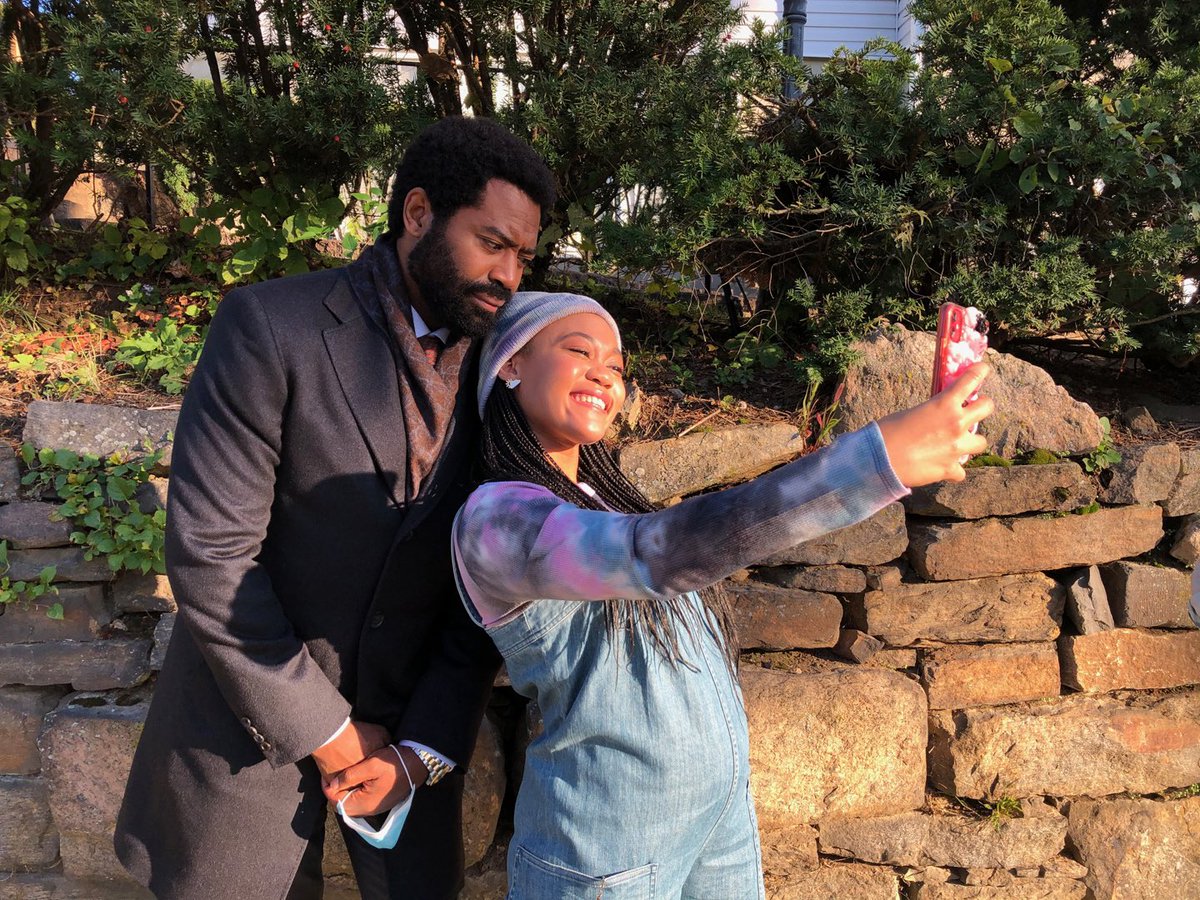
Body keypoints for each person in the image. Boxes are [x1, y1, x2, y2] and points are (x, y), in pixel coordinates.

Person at [114, 117, 557, 900]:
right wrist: (328, 729)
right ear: (417, 213)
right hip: (240, 740)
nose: (509, 275)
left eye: (523, 255)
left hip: (407, 757)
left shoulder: (504, 367)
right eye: (492, 243)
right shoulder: (269, 326)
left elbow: (486, 583)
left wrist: (422, 750)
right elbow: (213, 555)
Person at [443, 291, 993, 897]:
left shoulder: (610, 501)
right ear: (511, 364)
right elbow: (654, 554)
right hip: (606, 845)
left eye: (617, 367)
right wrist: (875, 461)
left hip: (720, 823)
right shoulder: (496, 521)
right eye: (579, 352)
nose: (604, 374)